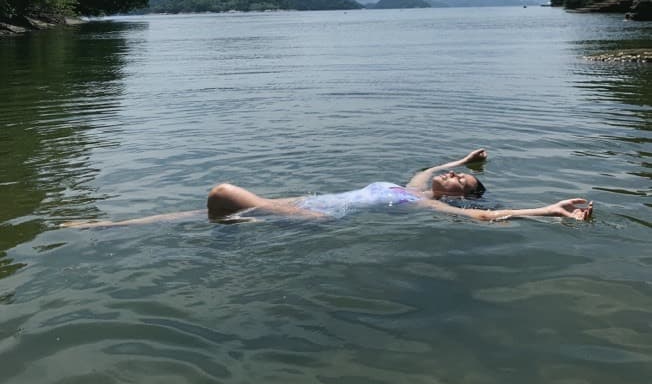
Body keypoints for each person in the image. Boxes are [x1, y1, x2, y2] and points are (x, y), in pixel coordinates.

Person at [61, 148, 593, 227]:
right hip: (302, 203)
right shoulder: (414, 184)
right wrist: (466, 157)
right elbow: (431, 167)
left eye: (462, 179)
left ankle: (109, 226)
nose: (450, 177)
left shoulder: (429, 206)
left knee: (222, 192)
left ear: (460, 195)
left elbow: (486, 218)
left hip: (317, 219)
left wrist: (549, 209)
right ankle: (109, 225)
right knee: (193, 218)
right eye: (455, 173)